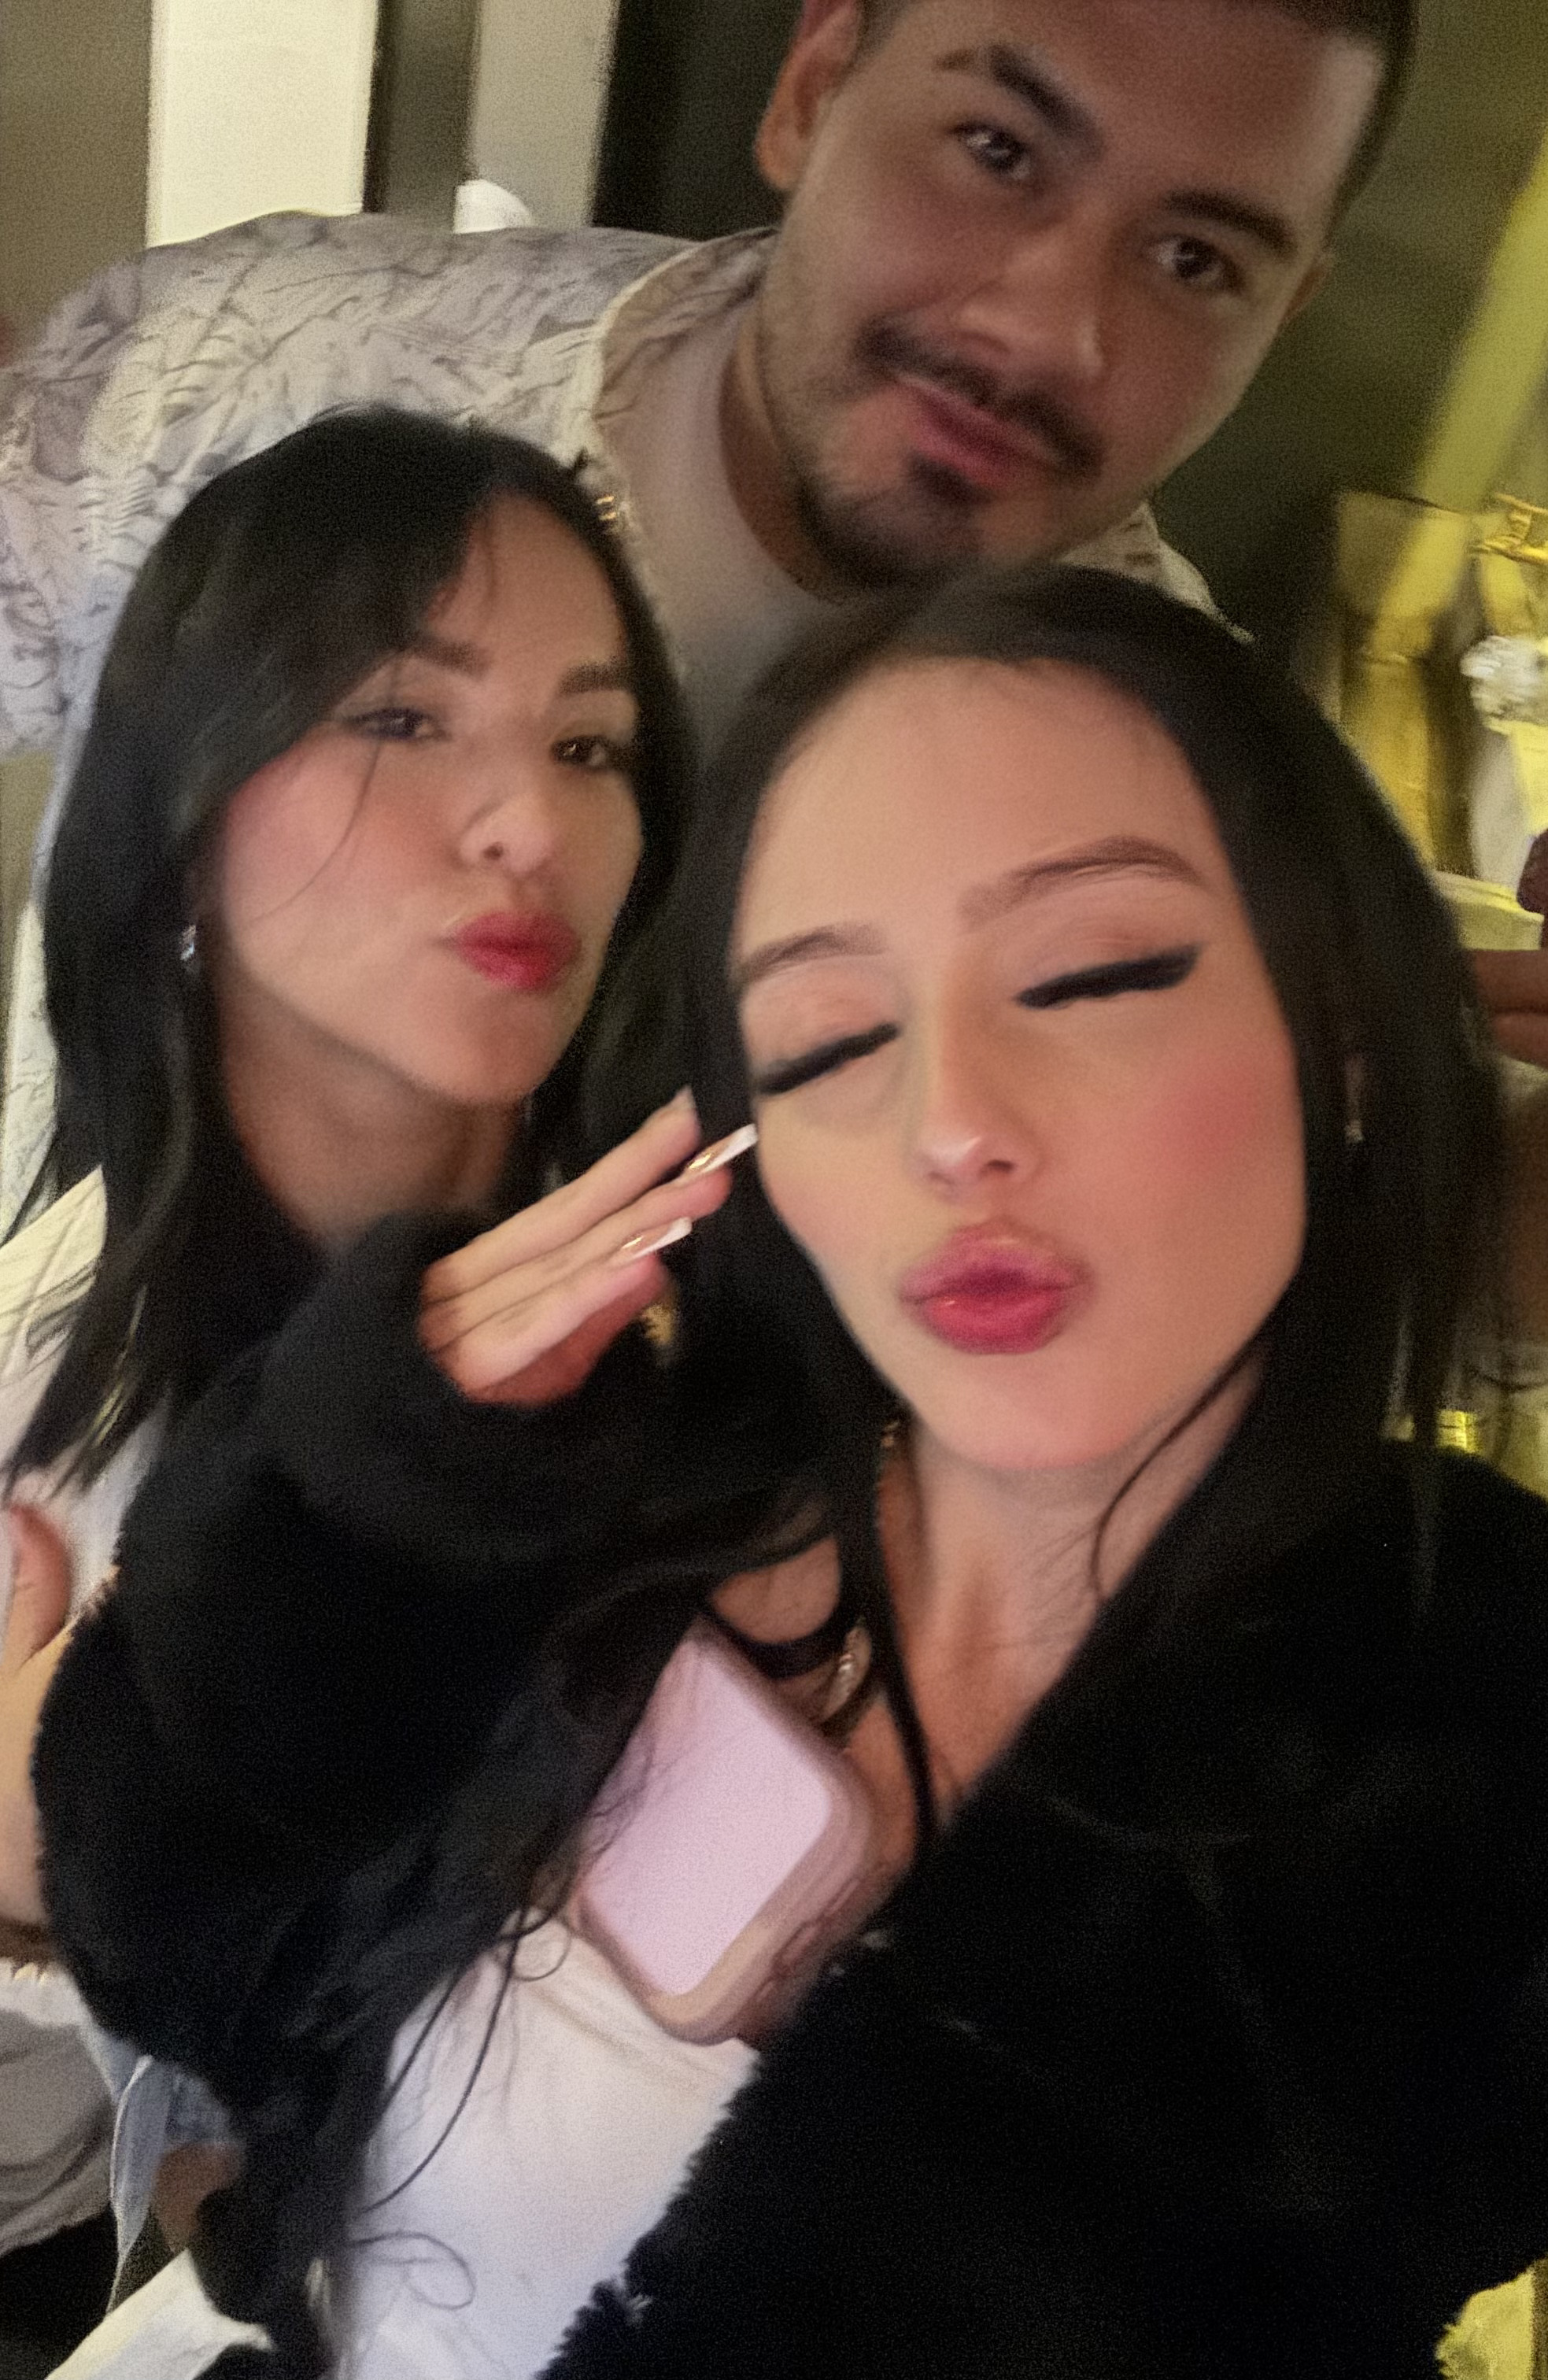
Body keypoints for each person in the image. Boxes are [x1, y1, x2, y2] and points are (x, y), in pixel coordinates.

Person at [26, 570, 1548, 2380]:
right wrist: (342, 1504)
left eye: (1090, 976)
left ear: (1345, 1051)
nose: (948, 1123)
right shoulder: (629, 1486)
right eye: (830, 1039)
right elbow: (170, 1919)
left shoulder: (1509, 1728)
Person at [0, 0, 1548, 1364]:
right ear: (814, 84)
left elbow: (1454, 1304)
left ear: (1282, 312)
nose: (1047, 327)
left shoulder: (1178, 792)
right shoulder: (262, 373)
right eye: (999, 151)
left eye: (1194, 258)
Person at [0, 403, 719, 2326]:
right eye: (402, 716)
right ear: (179, 813)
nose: (529, 826)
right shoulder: (58, 1403)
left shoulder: (708, 1288)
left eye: (590, 746)